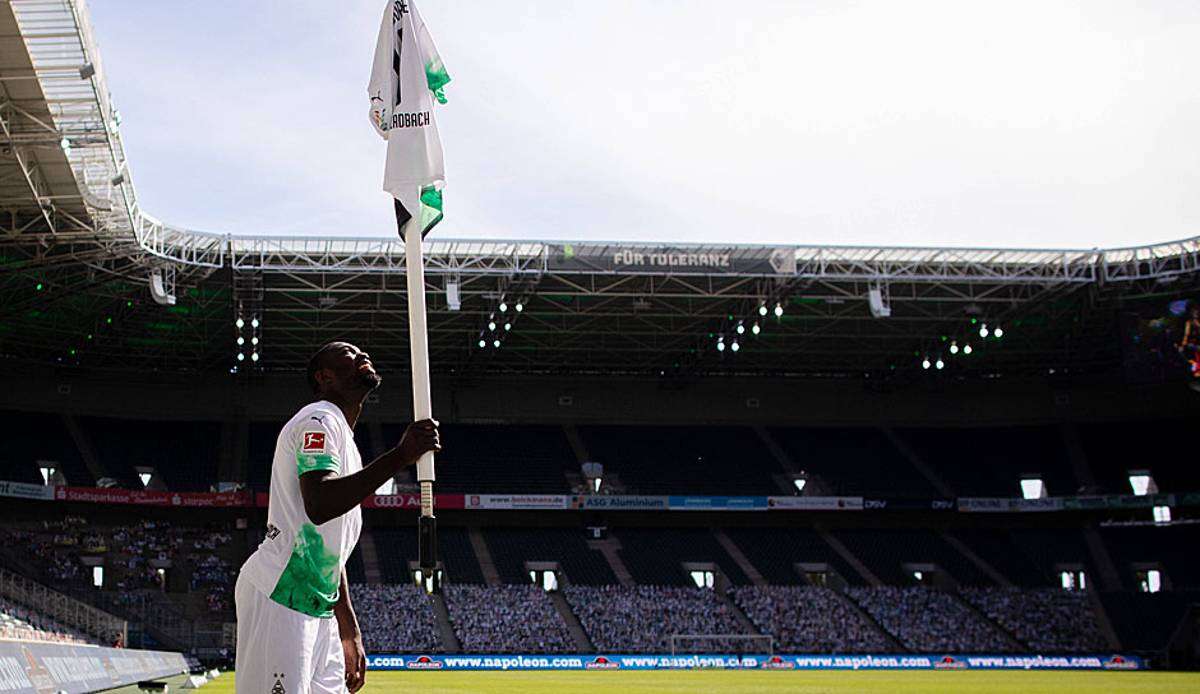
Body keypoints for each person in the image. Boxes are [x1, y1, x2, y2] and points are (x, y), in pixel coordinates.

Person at [235, 341, 440, 693]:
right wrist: (401, 456)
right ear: (324, 377)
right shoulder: (318, 419)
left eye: (363, 351)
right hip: (282, 593)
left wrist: (349, 627)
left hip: (319, 607)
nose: (362, 354)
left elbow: (330, 549)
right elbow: (319, 504)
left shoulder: (345, 439)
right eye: (348, 352)